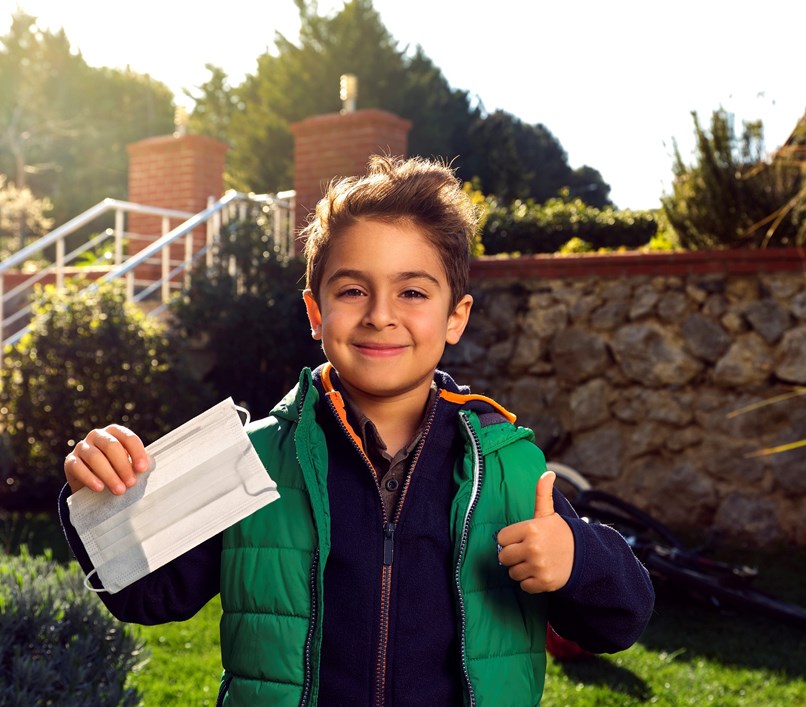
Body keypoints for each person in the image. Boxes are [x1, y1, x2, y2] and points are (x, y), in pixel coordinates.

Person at [60, 154, 655, 706]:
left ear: (455, 317)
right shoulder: (254, 458)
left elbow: (618, 621)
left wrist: (580, 561)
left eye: (413, 291)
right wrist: (102, 488)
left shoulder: (509, 468)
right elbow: (144, 594)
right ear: (316, 313)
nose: (379, 313)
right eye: (352, 290)